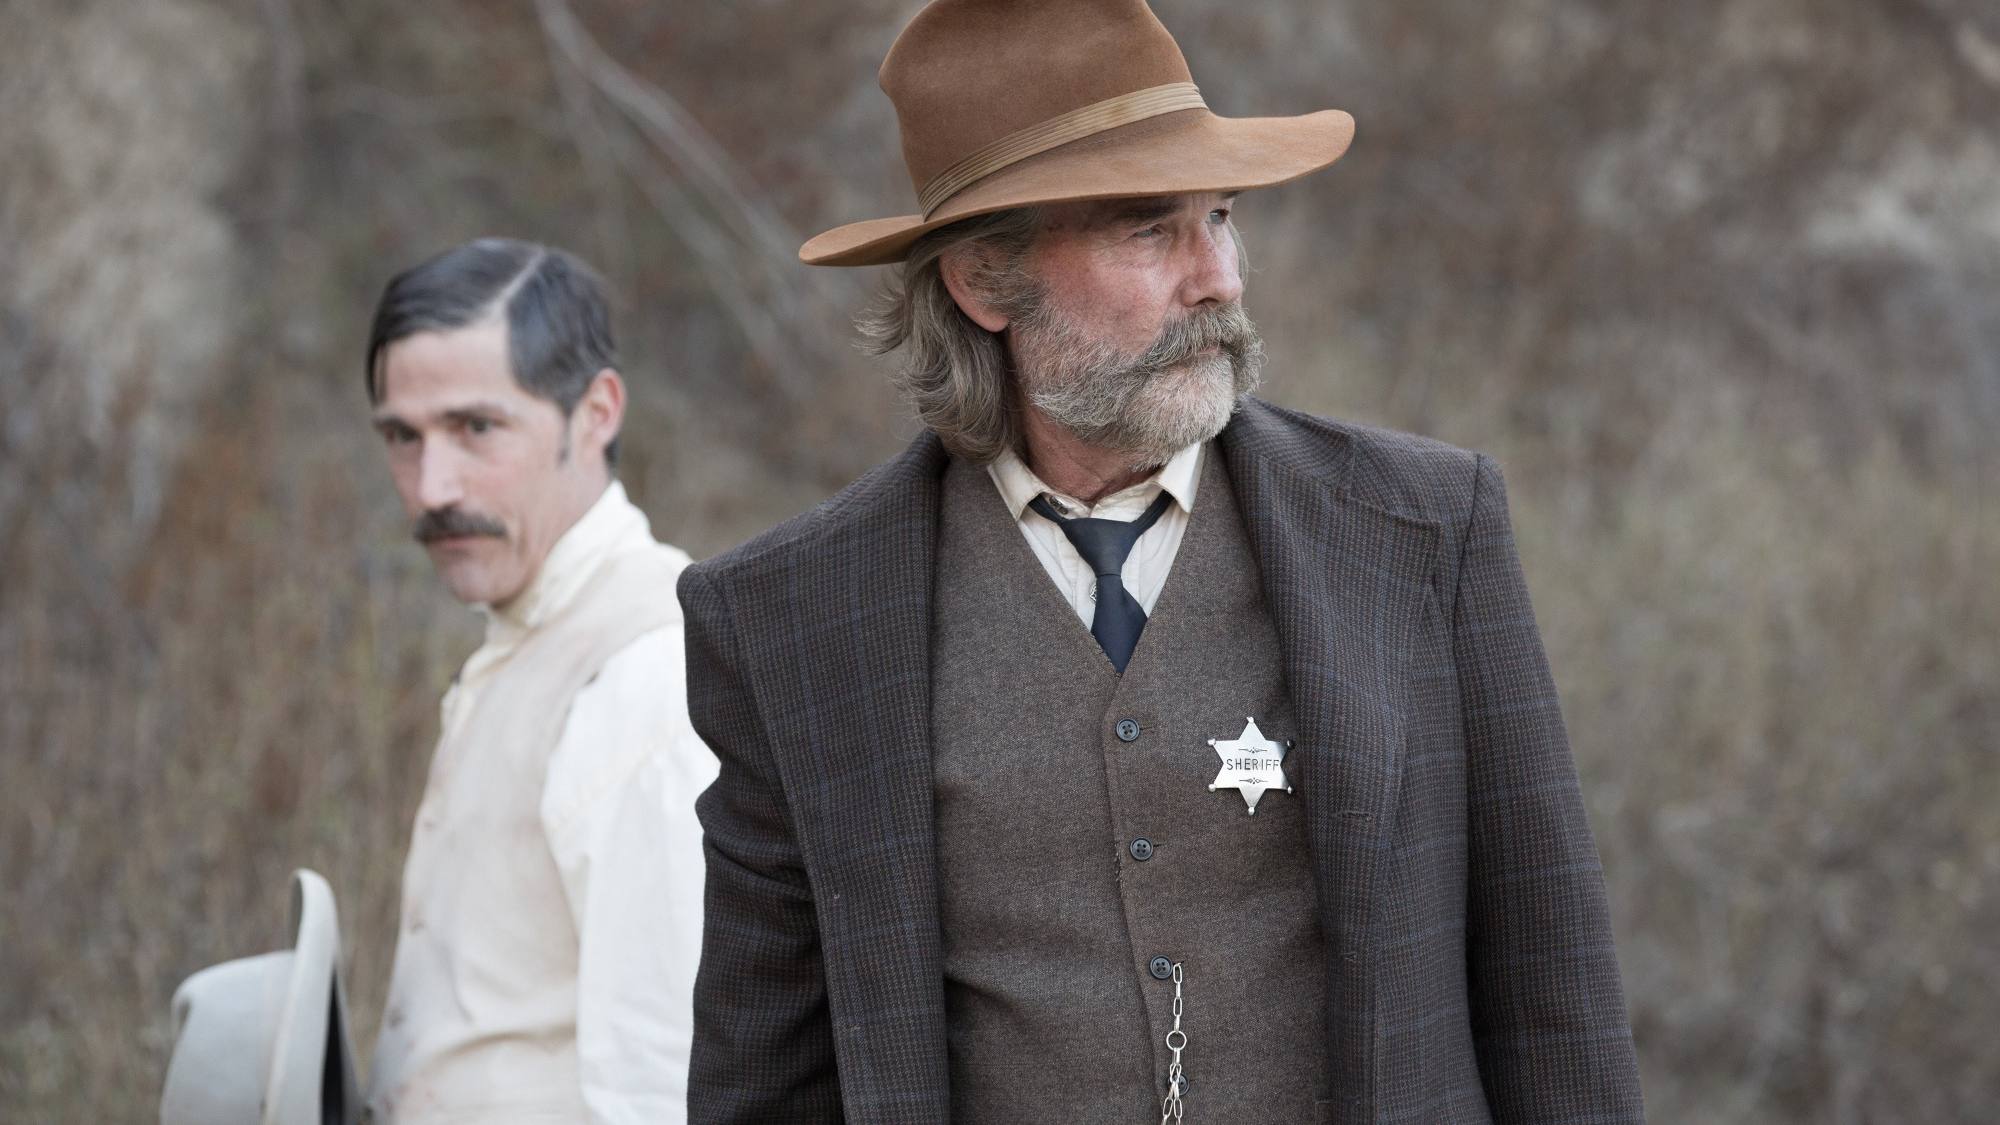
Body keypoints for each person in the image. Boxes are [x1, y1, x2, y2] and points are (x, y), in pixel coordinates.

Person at [678, 2, 1644, 1123]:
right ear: (983, 284)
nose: (1217, 278)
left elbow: (1552, 994)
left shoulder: (1423, 529)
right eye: (1148, 230)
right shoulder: (785, 620)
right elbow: (766, 1071)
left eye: (1220, 217)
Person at [361, 238, 715, 1124]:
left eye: (476, 428)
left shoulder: (648, 671)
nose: (432, 487)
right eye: (403, 437)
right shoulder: (531, 630)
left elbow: (664, 1082)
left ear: (594, 413)